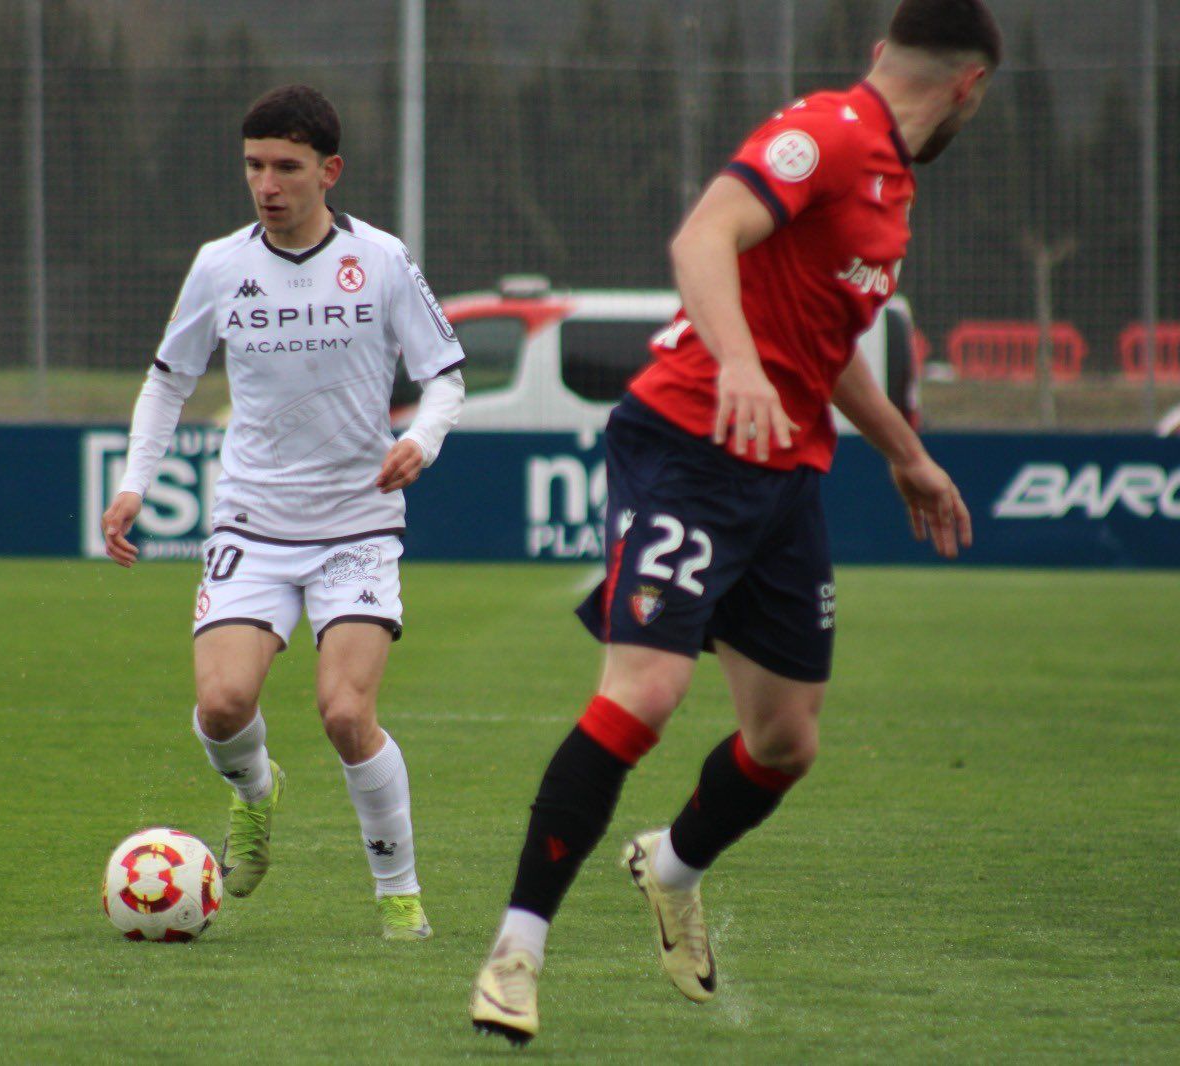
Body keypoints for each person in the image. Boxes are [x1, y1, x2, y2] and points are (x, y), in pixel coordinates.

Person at [471, 0, 999, 1044]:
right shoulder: (828, 134)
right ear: (967, 89)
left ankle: (668, 867)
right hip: (685, 441)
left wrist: (906, 453)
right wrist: (744, 369)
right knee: (646, 691)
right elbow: (704, 232)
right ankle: (515, 951)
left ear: (882, 50)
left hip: (785, 475)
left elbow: (827, 337)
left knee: (785, 739)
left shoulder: (889, 189)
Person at [101, 85, 466, 940]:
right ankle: (257, 796)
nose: (267, 183)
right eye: (254, 166)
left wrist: (427, 438)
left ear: (328, 171)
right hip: (252, 525)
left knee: (345, 713)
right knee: (223, 706)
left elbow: (444, 373)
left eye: (286, 167)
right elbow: (168, 380)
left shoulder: (378, 259)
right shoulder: (221, 265)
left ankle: (398, 894)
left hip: (357, 525)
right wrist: (133, 483)